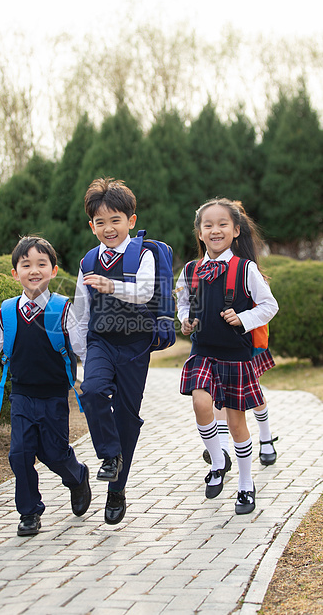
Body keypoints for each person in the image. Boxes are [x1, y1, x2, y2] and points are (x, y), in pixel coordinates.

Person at [0, 236, 91, 536]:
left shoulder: (61, 309)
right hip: (22, 396)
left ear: (53, 271)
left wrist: (97, 381)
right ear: (15, 273)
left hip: (55, 397)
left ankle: (77, 476)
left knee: (54, 454)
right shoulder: (7, 313)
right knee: (19, 455)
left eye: (42, 264)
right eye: (26, 264)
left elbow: (83, 349)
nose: (34, 270)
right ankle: (29, 512)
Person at [175, 198, 278, 515]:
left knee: (236, 424)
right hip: (202, 352)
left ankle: (246, 485)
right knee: (200, 403)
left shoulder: (246, 269)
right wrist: (185, 320)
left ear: (235, 231)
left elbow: (269, 306)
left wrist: (244, 319)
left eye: (222, 224)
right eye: (208, 225)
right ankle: (218, 462)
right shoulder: (191, 270)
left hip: (236, 356)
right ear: (199, 232)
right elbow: (183, 303)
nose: (215, 230)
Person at [74, 177, 155, 525]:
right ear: (92, 226)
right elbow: (80, 313)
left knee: (126, 419)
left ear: (130, 221)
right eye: (100, 222)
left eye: (115, 220)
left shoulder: (145, 253)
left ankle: (116, 490)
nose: (108, 228)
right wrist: (81, 354)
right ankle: (109, 456)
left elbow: (147, 291)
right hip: (101, 343)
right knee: (91, 391)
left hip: (136, 347)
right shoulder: (88, 260)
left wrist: (113, 285)